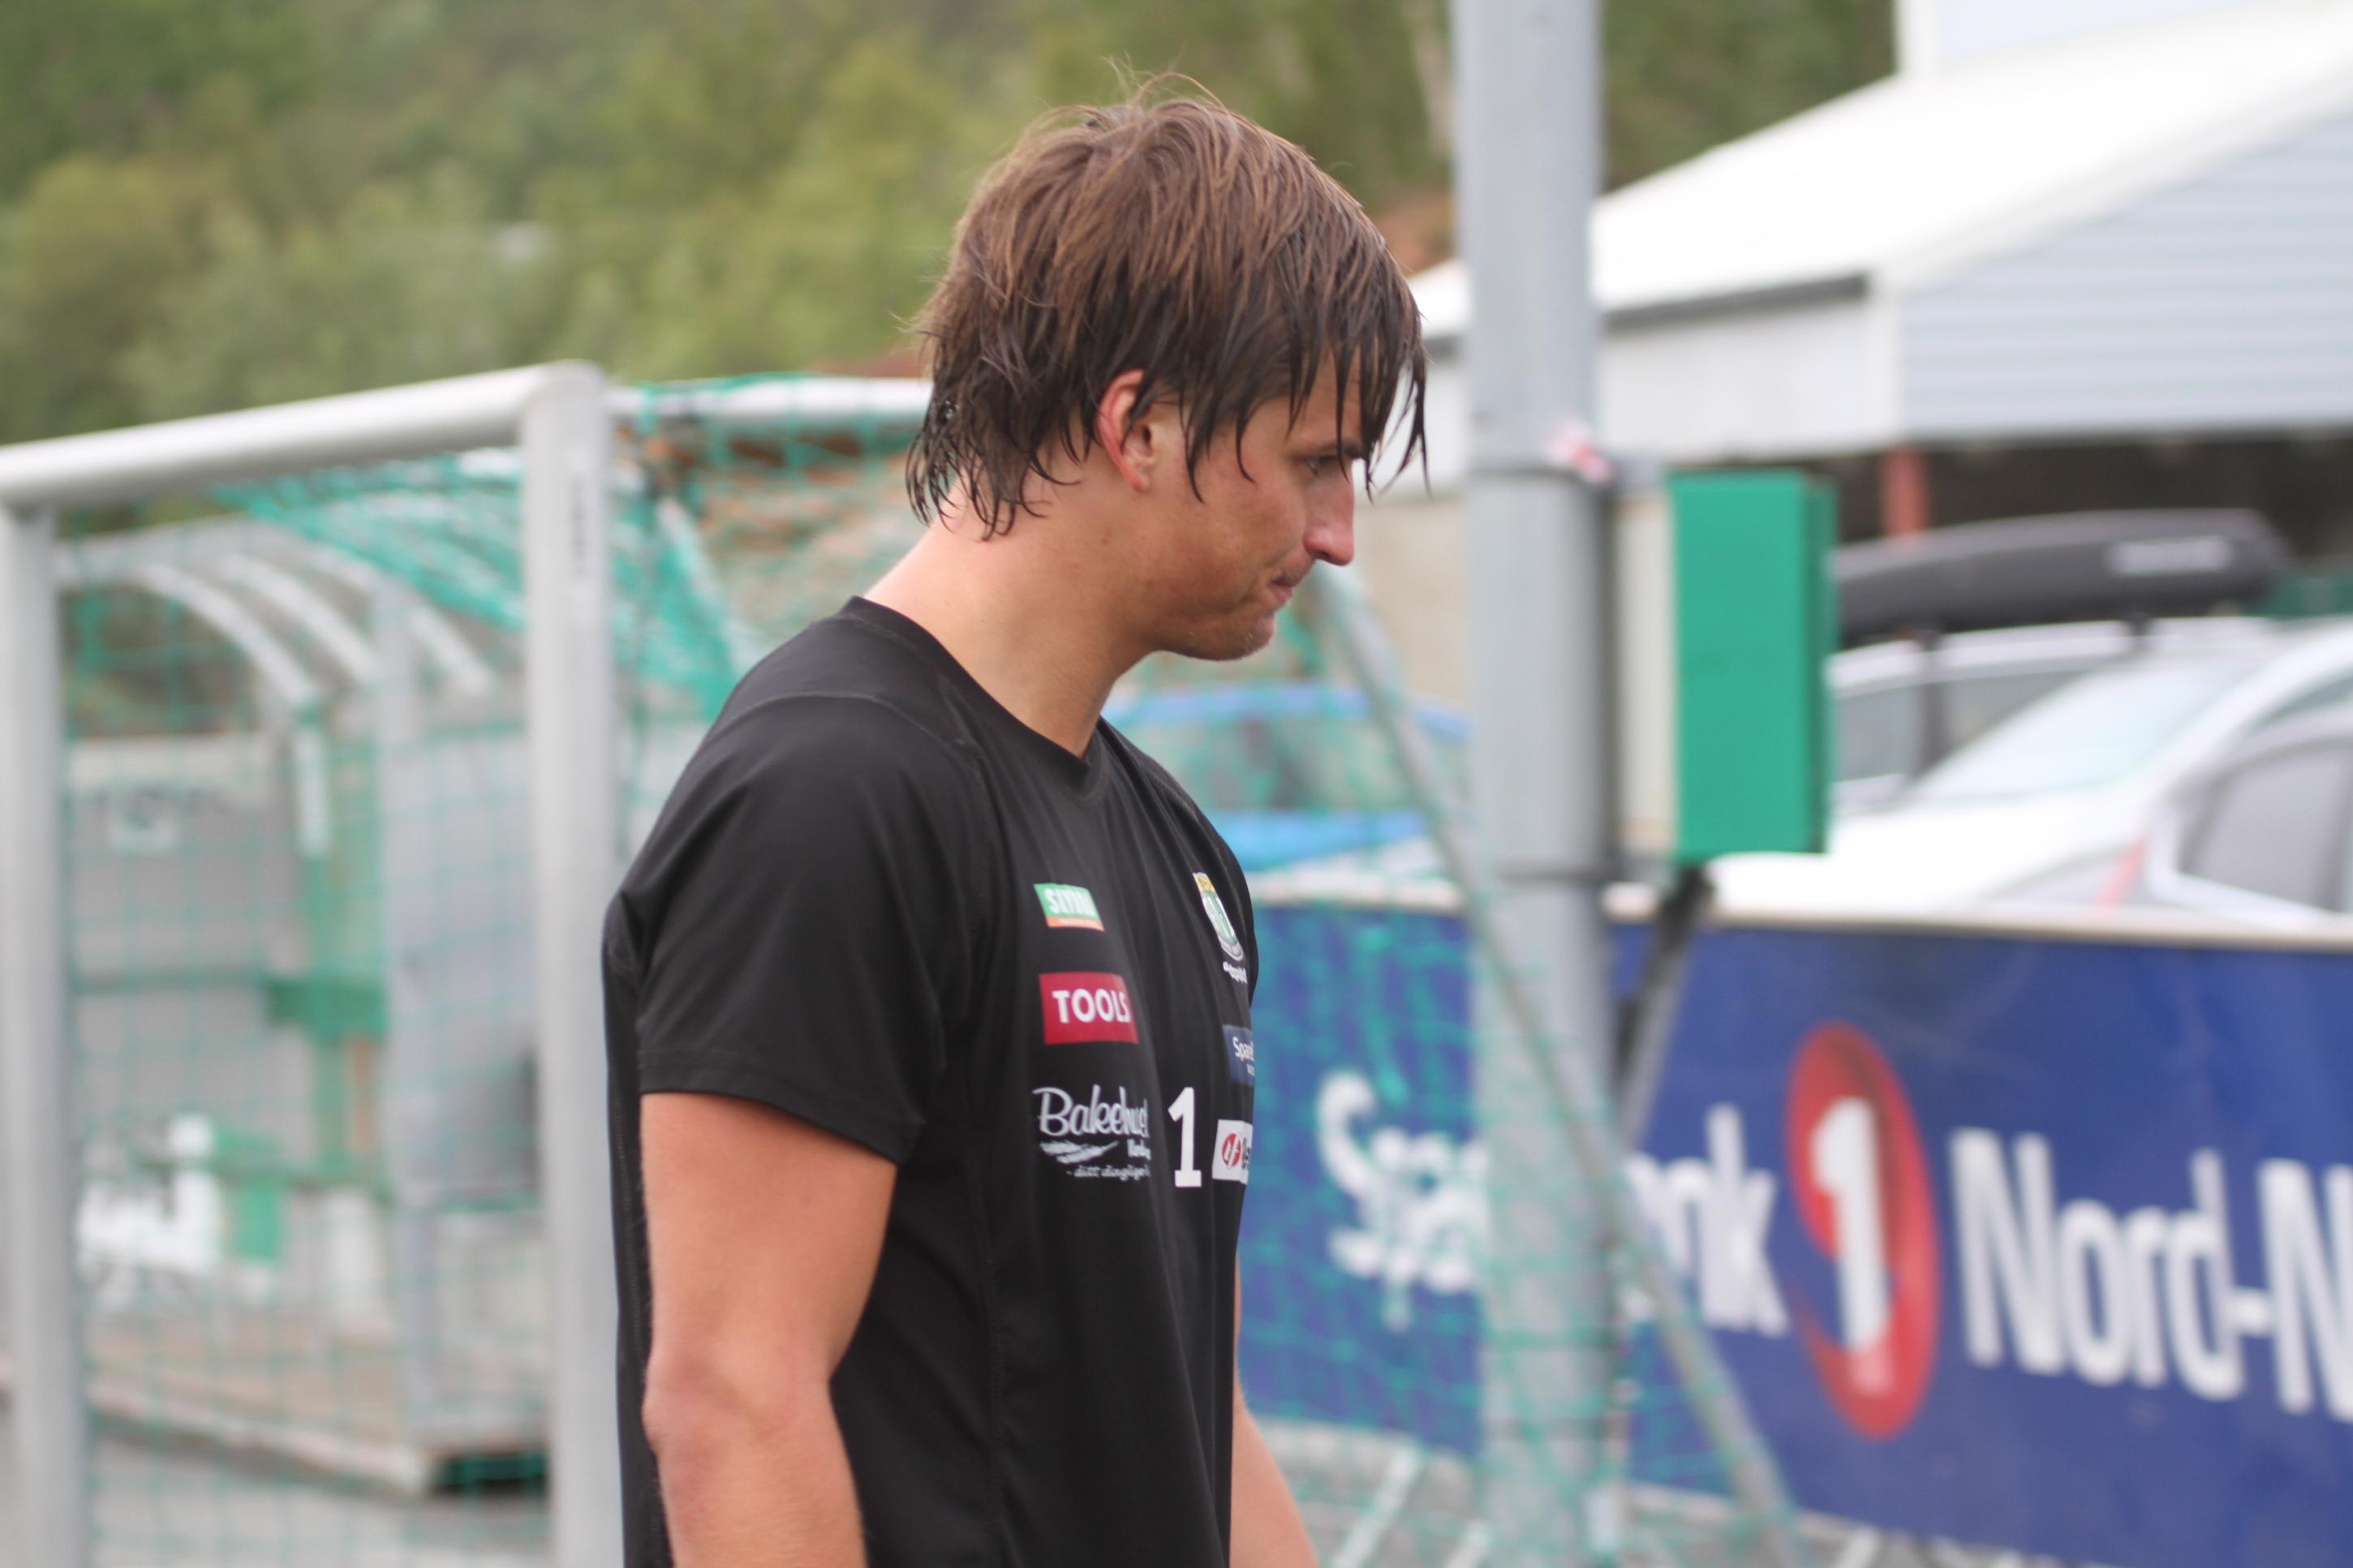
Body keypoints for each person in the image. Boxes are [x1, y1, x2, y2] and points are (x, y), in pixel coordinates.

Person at [600, 89, 1426, 1566]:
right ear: (1138, 424)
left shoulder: (1181, 856)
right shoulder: (829, 795)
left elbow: (1196, 1412)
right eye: (1314, 458)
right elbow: (732, 1402)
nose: (1338, 532)